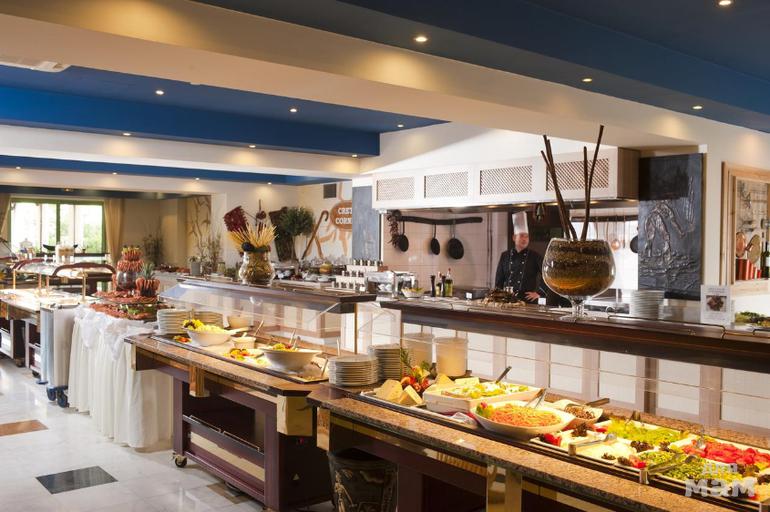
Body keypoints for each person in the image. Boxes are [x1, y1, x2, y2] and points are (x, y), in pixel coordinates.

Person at [494, 212, 546, 303]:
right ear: (514, 237)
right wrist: (497, 296)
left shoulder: (534, 256)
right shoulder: (505, 256)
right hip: (508, 300)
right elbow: (499, 279)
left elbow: (547, 274)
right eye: (521, 236)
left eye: (527, 237)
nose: (524, 239)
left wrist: (539, 292)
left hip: (527, 301)